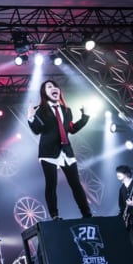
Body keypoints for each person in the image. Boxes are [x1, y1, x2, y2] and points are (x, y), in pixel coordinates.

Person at [27, 79, 92, 220]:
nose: (53, 88)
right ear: (45, 92)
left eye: (55, 86)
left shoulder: (66, 110)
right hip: (48, 152)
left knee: (76, 184)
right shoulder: (40, 110)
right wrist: (31, 117)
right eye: (49, 87)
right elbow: (37, 130)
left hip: (66, 151)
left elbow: (72, 129)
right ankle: (55, 215)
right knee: (51, 184)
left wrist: (85, 117)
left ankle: (87, 214)